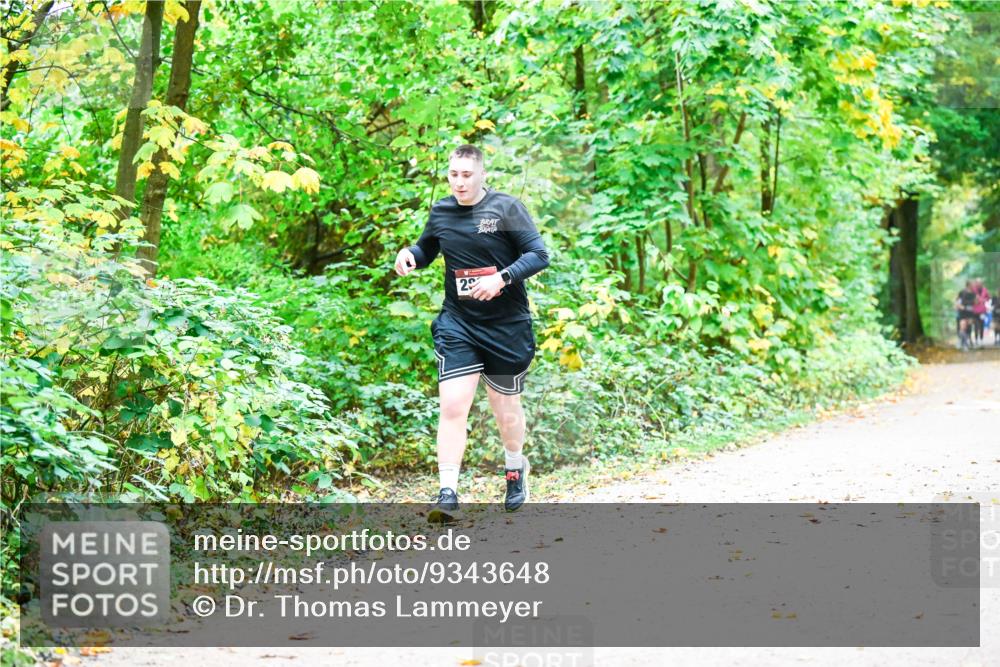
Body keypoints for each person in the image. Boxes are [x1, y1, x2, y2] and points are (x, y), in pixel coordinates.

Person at [394, 144, 550, 522]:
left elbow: (538, 254)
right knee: (452, 405)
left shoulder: (506, 209)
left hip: (506, 326)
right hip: (459, 323)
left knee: (505, 410)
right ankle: (447, 492)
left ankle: (515, 468)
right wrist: (410, 255)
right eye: (453, 175)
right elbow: (427, 249)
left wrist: (502, 277)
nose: (459, 182)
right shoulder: (442, 211)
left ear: (482, 175)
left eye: (466, 175)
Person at [955, 281, 977, 350]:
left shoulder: (973, 293)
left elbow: (975, 302)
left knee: (969, 328)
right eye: (972, 284)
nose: (973, 286)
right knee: (963, 327)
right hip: (963, 312)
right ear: (968, 285)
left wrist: (976, 302)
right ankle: (962, 343)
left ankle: (967, 342)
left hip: (970, 313)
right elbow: (957, 300)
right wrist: (960, 306)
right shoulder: (962, 292)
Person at [972, 279, 990, 346]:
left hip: (982, 311)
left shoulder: (985, 290)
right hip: (975, 311)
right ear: (976, 283)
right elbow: (970, 297)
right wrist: (975, 300)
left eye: (980, 283)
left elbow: (988, 298)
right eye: (977, 283)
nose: (979, 284)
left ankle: (981, 339)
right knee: (976, 326)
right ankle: (976, 340)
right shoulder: (973, 290)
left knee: (981, 325)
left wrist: (984, 300)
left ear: (982, 283)